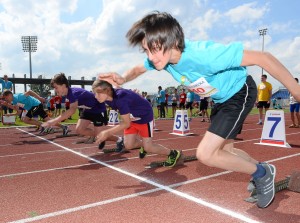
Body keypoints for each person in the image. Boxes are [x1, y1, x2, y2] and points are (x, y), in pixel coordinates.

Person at [98, 11, 300, 208]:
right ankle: (263, 170)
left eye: (154, 49)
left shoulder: (204, 55)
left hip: (240, 91)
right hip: (221, 99)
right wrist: (124, 78)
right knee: (225, 151)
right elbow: (138, 69)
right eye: (146, 50)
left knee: (206, 153)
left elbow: (264, 58)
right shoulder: (163, 60)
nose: (151, 57)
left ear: (173, 42)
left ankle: (262, 174)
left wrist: (297, 92)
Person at [92, 79, 181, 167]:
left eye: (98, 93)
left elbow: (126, 123)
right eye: (95, 93)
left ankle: (173, 153)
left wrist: (107, 132)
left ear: (107, 91)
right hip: (132, 118)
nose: (96, 96)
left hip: (144, 118)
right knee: (128, 145)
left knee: (149, 147)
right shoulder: (107, 98)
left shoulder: (120, 99)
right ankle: (145, 145)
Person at [42, 73, 124, 149]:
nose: (55, 90)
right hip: (88, 110)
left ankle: (119, 139)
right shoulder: (66, 94)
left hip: (98, 109)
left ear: (63, 85)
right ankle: (100, 136)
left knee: (99, 134)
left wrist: (53, 121)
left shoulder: (73, 93)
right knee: (79, 130)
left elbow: (72, 110)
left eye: (56, 87)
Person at [0, 89, 68, 134]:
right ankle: (64, 127)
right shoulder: (14, 101)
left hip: (36, 105)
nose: (6, 100)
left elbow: (29, 91)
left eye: (6, 98)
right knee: (48, 120)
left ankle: (43, 126)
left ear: (9, 95)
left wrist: (39, 97)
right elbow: (18, 111)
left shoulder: (19, 97)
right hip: (35, 106)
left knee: (26, 119)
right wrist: (8, 105)